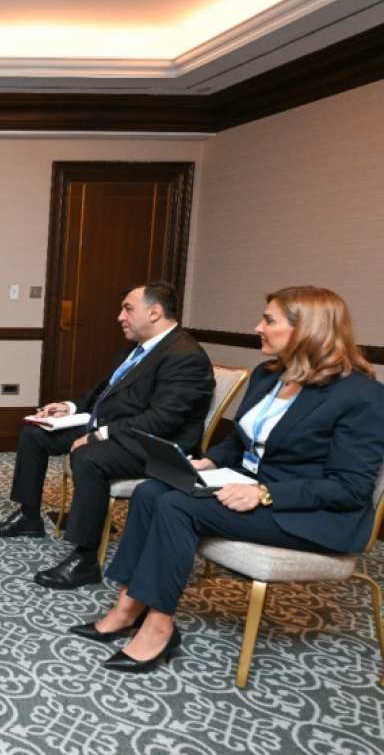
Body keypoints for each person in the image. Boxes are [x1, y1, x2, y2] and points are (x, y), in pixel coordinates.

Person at [74, 286, 384, 672]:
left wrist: (265, 493)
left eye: (269, 320)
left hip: (307, 513)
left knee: (176, 506)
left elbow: (350, 487)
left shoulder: (360, 396)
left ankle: (159, 625)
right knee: (151, 490)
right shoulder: (269, 375)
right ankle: (128, 605)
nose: (258, 327)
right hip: (244, 483)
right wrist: (209, 462)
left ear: (307, 328)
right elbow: (239, 439)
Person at [0, 281, 214, 589]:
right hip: (117, 428)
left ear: (155, 312)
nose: (120, 317)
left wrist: (99, 435)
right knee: (34, 433)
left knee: (88, 456)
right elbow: (103, 395)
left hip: (156, 445)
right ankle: (29, 517)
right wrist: (68, 407)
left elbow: (162, 420)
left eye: (128, 309)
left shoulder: (185, 356)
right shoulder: (136, 349)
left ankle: (85, 559)